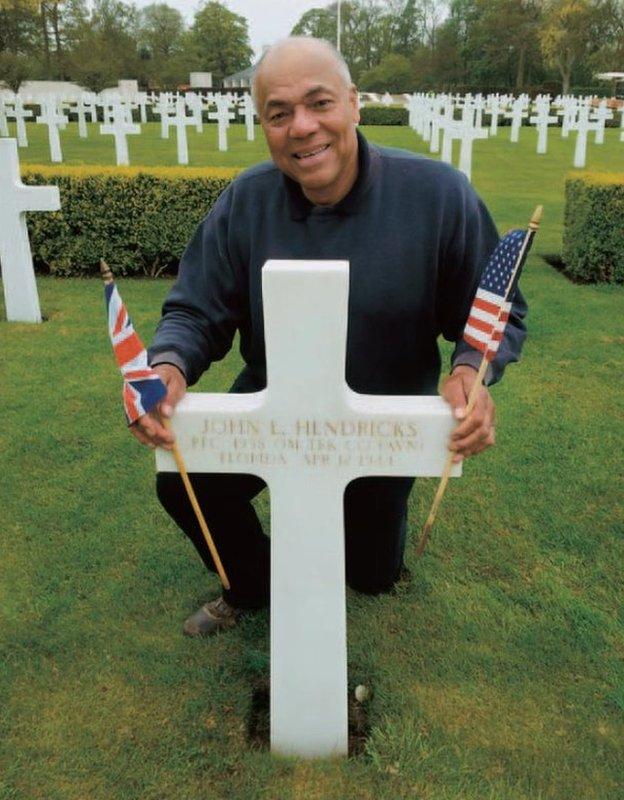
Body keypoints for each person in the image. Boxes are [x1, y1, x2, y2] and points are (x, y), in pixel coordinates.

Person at [132, 37, 527, 636]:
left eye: (319, 103)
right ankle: (250, 583)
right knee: (183, 479)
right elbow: (197, 309)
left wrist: (473, 368)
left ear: (353, 104)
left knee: (368, 574)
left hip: (382, 416)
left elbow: (494, 311)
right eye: (279, 113)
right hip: (272, 400)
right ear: (264, 125)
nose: (303, 127)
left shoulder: (438, 195)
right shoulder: (247, 201)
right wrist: (168, 366)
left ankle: (370, 550)